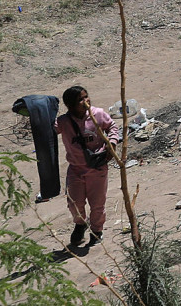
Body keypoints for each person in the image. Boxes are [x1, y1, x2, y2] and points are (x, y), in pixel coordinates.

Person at [55, 85, 120, 252]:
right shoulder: (63, 122)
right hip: (75, 169)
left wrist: (111, 143)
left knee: (97, 203)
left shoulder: (98, 114)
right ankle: (80, 224)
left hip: (97, 168)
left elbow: (112, 127)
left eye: (86, 97)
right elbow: (49, 130)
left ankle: (97, 230)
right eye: (80, 100)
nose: (86, 102)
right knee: (74, 202)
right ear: (70, 106)